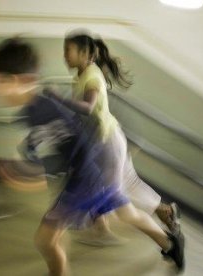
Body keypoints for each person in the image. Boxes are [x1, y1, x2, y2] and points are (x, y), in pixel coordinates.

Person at [0, 37, 185, 275]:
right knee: (126, 213)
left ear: (18, 80)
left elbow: (77, 136)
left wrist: (32, 172)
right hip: (93, 172)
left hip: (87, 176)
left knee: (46, 240)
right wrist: (28, 161)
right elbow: (47, 143)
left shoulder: (49, 105)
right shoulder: (32, 110)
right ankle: (170, 244)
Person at [43, 30, 181, 245]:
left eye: (68, 50)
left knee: (112, 197)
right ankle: (164, 212)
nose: (64, 56)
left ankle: (163, 240)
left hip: (107, 144)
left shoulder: (91, 75)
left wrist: (57, 98)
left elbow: (87, 107)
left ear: (84, 53)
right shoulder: (82, 74)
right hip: (108, 140)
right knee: (125, 184)